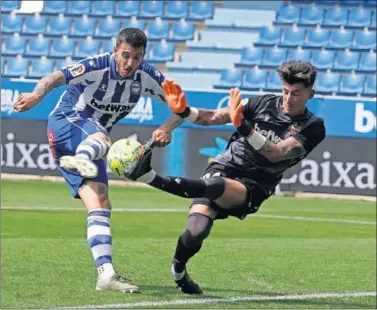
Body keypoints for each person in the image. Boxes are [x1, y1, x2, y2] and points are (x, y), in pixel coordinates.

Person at [124, 61, 326, 294]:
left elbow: (276, 153)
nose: (288, 99)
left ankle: (148, 176)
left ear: (311, 94)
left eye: (296, 94)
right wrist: (184, 112)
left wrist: (244, 127)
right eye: (285, 91)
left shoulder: (313, 127)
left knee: (216, 186)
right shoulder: (263, 103)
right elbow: (213, 117)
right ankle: (179, 272)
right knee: (196, 231)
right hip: (228, 164)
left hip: (255, 184)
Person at [13, 28, 183, 293]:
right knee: (103, 140)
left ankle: (106, 274)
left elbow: (182, 107)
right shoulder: (97, 66)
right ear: (116, 50)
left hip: (90, 141)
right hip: (67, 122)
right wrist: (37, 95)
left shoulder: (148, 77)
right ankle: (81, 158)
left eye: (136, 57)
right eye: (125, 55)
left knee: (101, 201)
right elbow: (56, 77)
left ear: (143, 57)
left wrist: (168, 127)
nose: (130, 63)